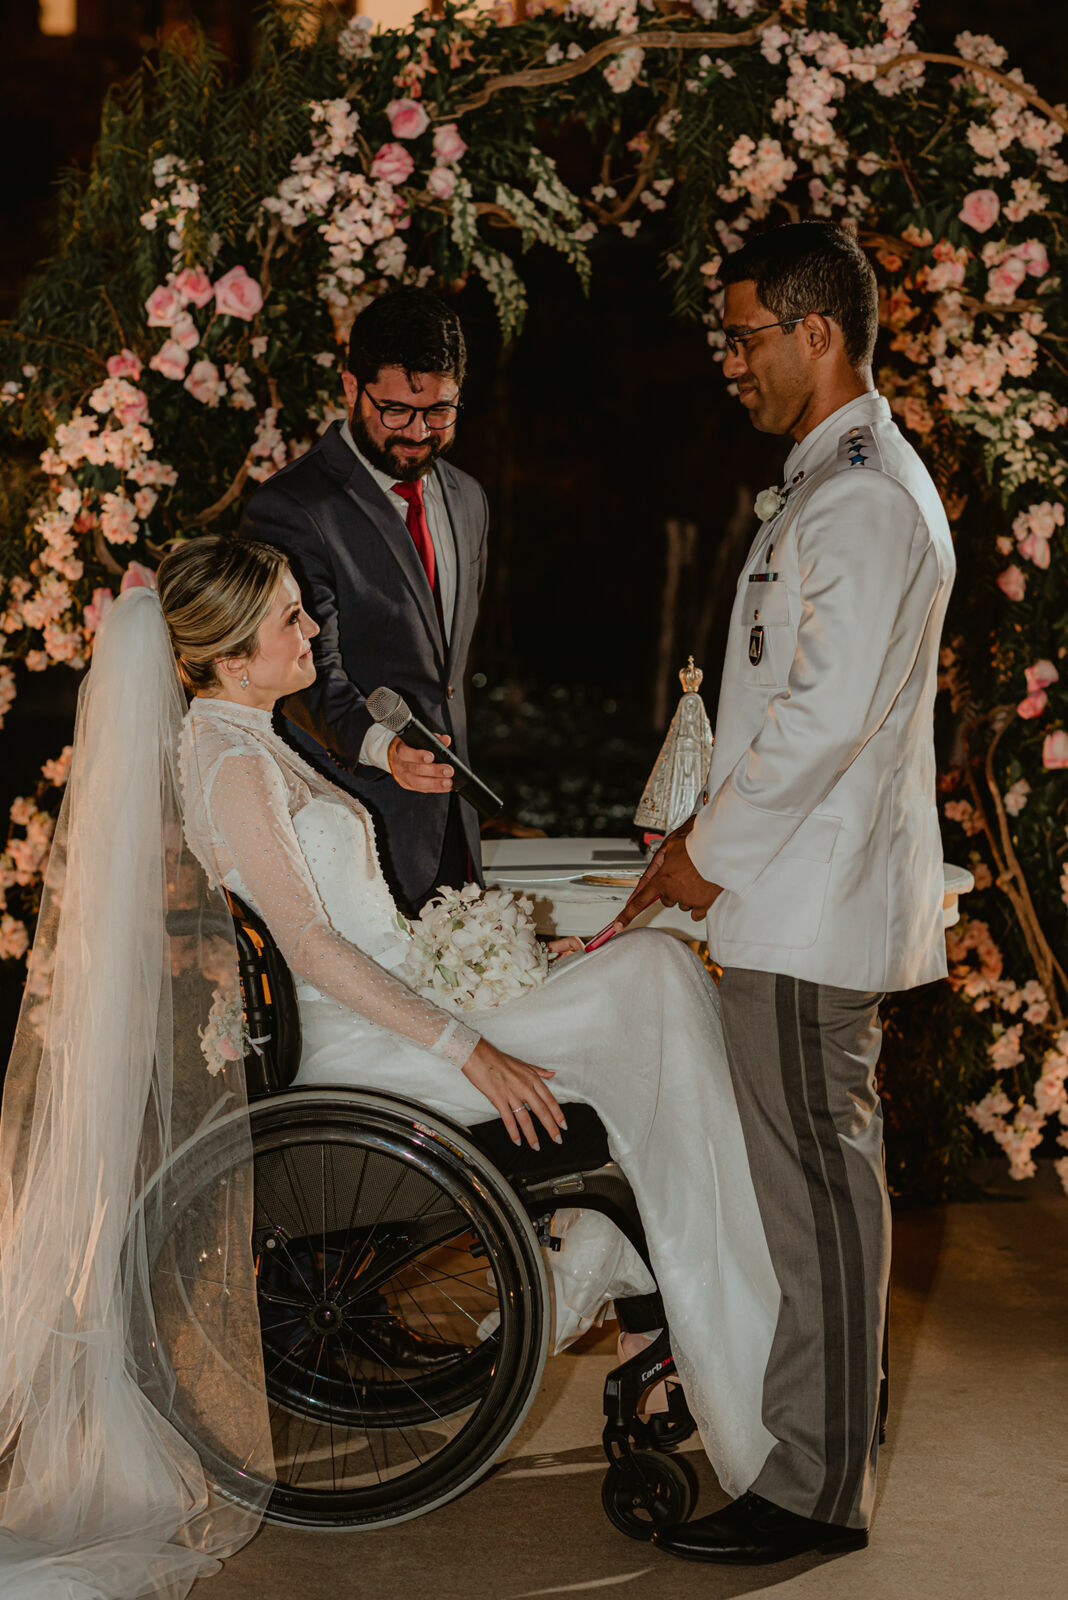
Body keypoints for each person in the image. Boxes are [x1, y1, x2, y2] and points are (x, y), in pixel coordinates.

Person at [617, 220, 955, 1565]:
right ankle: (801, 1453)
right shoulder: (831, 483)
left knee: (818, 1193)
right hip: (785, 902)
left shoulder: (868, 496)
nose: (730, 361)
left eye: (747, 334)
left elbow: (817, 725)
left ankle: (814, 1492)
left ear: (821, 332)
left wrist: (704, 854)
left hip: (808, 917)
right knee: (800, 1191)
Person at [239, 287, 487, 914]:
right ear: (351, 387)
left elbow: (443, 674)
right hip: (353, 830)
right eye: (398, 411)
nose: (420, 434)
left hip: (455, 833)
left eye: (441, 413)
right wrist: (386, 750)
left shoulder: (469, 499)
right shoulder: (290, 510)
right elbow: (304, 678)